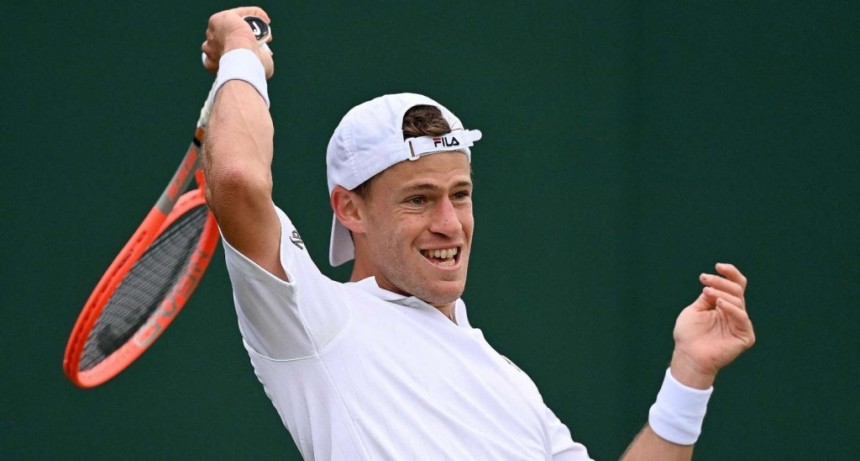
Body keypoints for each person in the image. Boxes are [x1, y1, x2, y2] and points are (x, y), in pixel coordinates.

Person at [200, 7, 756, 460]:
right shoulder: (314, 323)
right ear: (350, 209)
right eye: (419, 199)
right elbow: (237, 179)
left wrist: (689, 374)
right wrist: (241, 54)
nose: (449, 223)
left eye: (460, 194)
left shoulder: (510, 386)